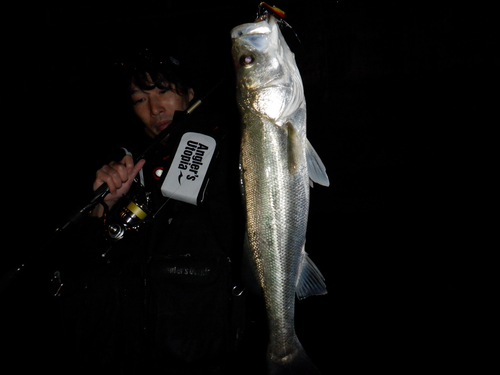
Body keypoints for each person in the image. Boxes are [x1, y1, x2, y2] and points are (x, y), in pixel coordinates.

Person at [60, 47, 247, 375]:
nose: (154, 108)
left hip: (201, 343)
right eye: (139, 99)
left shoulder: (230, 148)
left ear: (190, 94)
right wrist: (103, 207)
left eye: (163, 92)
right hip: (127, 345)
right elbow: (85, 259)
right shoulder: (121, 160)